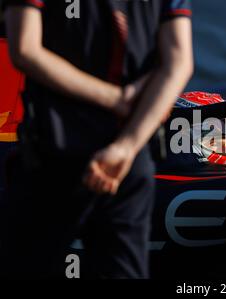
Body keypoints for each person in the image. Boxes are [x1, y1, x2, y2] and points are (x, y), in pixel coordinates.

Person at [0, 0, 193, 279]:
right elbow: (178, 63)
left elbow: (24, 49)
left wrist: (114, 100)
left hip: (53, 152)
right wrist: (126, 146)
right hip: (126, 159)